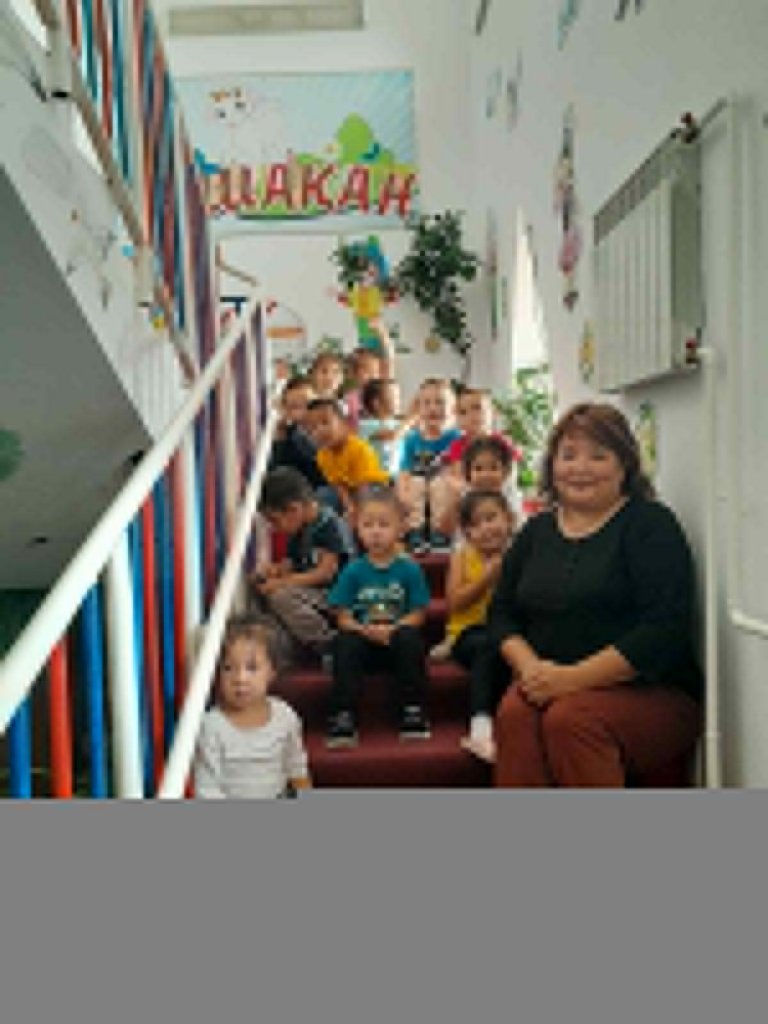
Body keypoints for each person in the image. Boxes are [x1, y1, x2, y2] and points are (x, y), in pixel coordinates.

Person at [488, 402, 703, 788]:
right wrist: (530, 668)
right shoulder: (536, 531)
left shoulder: (650, 524)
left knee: (571, 719)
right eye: (568, 455)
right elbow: (502, 612)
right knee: (516, 712)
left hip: (650, 691)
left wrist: (573, 679)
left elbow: (663, 629)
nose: (580, 468)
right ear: (552, 464)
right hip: (547, 680)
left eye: (598, 456)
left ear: (625, 465)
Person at [325, 485, 432, 748]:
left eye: (384, 525)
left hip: (396, 641)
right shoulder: (353, 570)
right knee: (344, 642)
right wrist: (363, 630)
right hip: (364, 640)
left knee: (410, 639)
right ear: (357, 529)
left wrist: (393, 628)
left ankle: (412, 709)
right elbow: (342, 616)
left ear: (400, 528)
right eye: (368, 525)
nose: (375, 532)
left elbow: (418, 614)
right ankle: (343, 714)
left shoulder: (409, 569)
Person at [193, 619, 311, 798]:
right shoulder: (211, 725)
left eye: (252, 668)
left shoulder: (285, 716)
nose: (240, 679)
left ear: (272, 672)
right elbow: (207, 789)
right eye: (228, 668)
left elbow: (297, 769)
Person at [441, 490, 517, 763]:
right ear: (467, 533)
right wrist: (486, 579)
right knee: (488, 646)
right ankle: (481, 726)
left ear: (508, 519)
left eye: (491, 518)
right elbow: (454, 603)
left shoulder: (519, 554)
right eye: (476, 524)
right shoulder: (463, 556)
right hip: (469, 632)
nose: (486, 528)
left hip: (510, 632)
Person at [253, 467, 355, 663]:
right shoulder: (299, 528)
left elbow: (325, 573)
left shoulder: (329, 525)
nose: (274, 528)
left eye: (275, 520)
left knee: (281, 596)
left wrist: (282, 583)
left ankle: (330, 644)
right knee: (267, 591)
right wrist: (275, 571)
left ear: (294, 509)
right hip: (314, 593)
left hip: (337, 595)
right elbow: (292, 562)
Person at [395, 377, 461, 553]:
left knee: (439, 485)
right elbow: (404, 471)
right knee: (415, 483)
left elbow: (457, 472)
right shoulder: (412, 439)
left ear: (453, 409)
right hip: (419, 487)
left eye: (440, 402)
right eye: (426, 403)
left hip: (443, 486)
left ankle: (439, 533)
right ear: (419, 409)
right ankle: (415, 531)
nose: (433, 408)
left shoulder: (455, 438)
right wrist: (402, 494)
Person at [305, 397, 388, 518]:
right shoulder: (322, 456)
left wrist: (359, 513)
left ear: (344, 423)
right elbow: (340, 486)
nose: (320, 431)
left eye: (325, 422)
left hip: (373, 487)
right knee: (323, 494)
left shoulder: (358, 448)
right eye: (312, 428)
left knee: (372, 496)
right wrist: (350, 508)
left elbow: (364, 485)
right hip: (350, 490)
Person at [268, 376, 326, 489]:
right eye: (296, 407)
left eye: (309, 403)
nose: (305, 411)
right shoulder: (290, 438)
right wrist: (280, 433)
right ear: (286, 412)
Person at [357, 377, 410, 478]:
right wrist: (413, 416)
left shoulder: (398, 424)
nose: (399, 401)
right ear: (376, 403)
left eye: (399, 397)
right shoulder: (366, 425)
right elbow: (393, 435)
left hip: (396, 478)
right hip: (374, 479)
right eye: (395, 397)